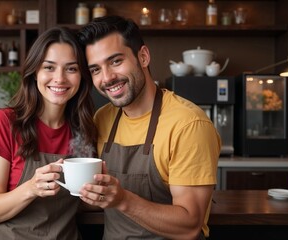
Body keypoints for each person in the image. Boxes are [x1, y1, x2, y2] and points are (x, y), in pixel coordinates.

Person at [77, 15, 221, 240]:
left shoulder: (188, 124)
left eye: (115, 61)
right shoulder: (102, 118)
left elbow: (190, 225)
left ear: (143, 57)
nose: (107, 78)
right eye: (95, 69)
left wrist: (123, 200)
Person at [0, 26, 97, 239]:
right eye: (49, 67)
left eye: (71, 69)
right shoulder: (5, 123)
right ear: (35, 73)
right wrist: (31, 188)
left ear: (82, 76)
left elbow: (81, 203)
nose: (59, 79)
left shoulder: (85, 129)